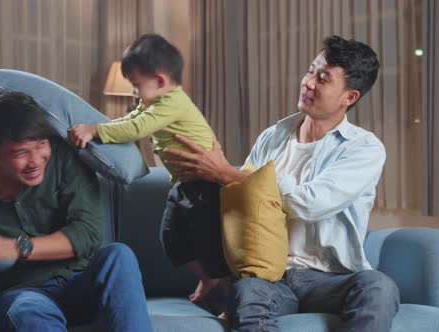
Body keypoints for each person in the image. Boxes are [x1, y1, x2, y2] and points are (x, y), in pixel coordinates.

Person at [162, 35, 401, 331]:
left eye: (323, 78)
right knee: (246, 293)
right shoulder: (273, 136)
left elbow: (309, 203)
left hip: (329, 278)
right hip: (270, 276)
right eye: (310, 71)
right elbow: (243, 203)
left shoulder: (363, 148)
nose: (308, 82)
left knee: (378, 286)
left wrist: (229, 174)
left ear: (349, 97)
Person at [0, 92, 153, 332]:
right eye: (21, 153)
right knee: (27, 308)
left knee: (119, 255)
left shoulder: (64, 159)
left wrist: (16, 248)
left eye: (41, 145)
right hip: (19, 294)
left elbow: (87, 234)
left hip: (77, 283)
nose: (36, 160)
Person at [68, 34, 231, 304]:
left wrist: (95, 130)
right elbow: (130, 118)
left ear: (159, 81)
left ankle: (228, 294)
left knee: (210, 244)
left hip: (206, 185)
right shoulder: (153, 102)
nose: (134, 92)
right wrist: (102, 125)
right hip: (184, 186)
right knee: (171, 239)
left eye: (135, 85)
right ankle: (207, 276)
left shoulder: (174, 103)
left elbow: (136, 128)